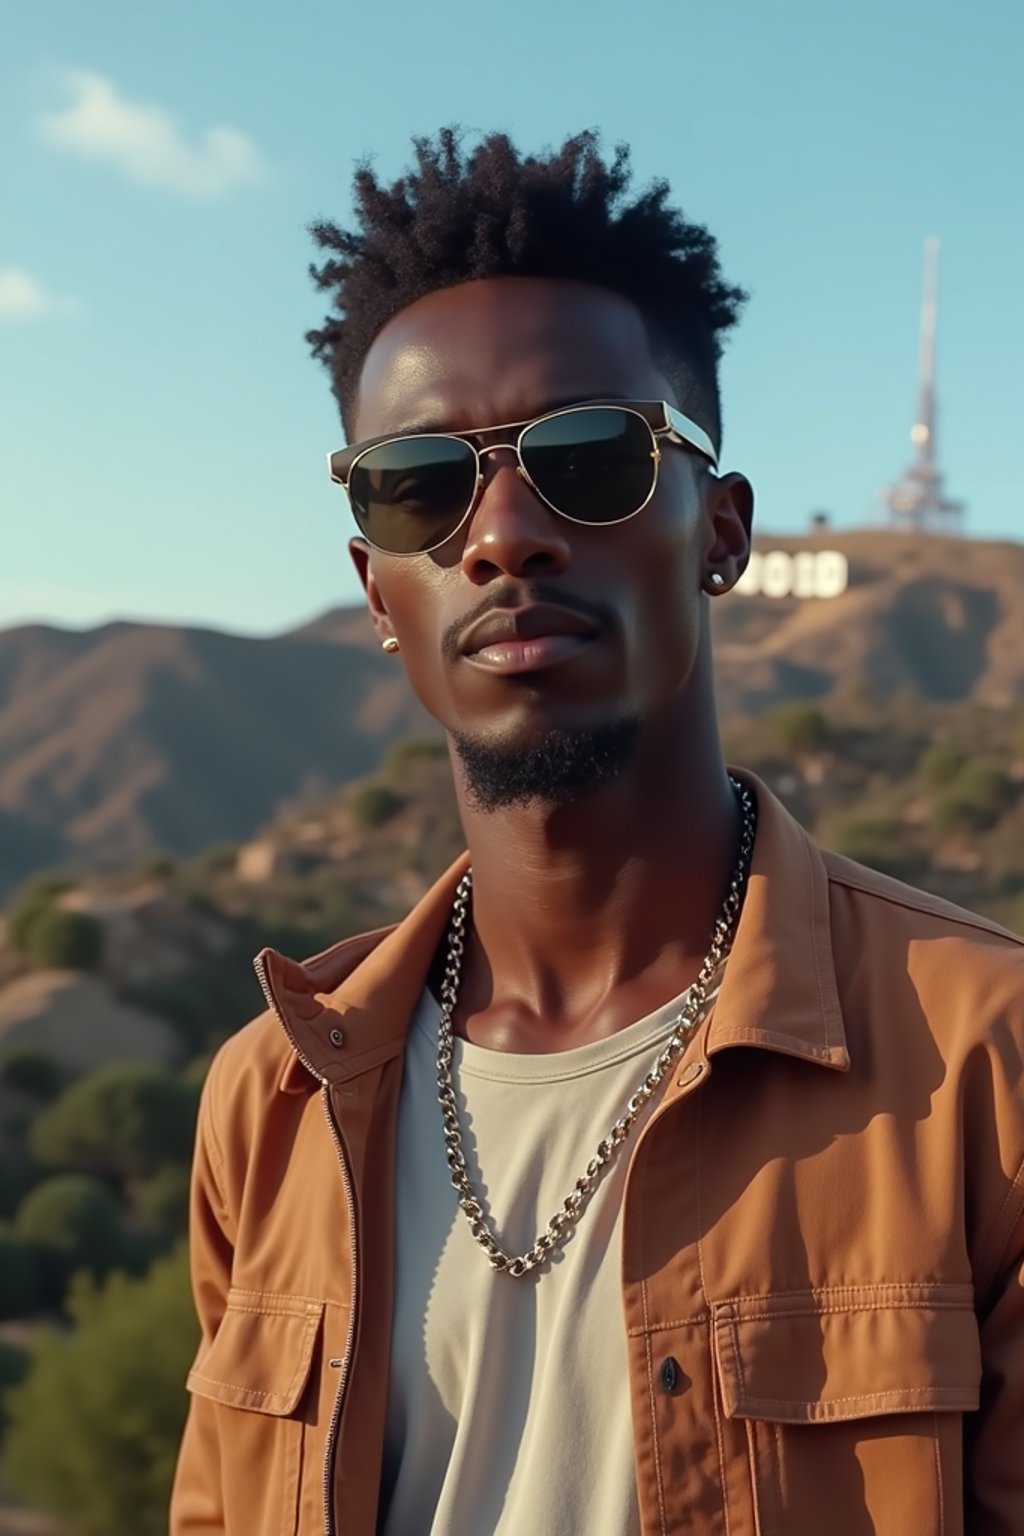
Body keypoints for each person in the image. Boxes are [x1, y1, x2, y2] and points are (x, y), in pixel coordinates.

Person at [170, 130, 1024, 1536]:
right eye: (421, 484)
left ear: (723, 534)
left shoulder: (981, 1066)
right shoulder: (271, 1106)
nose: (503, 534)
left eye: (587, 455)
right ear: (378, 589)